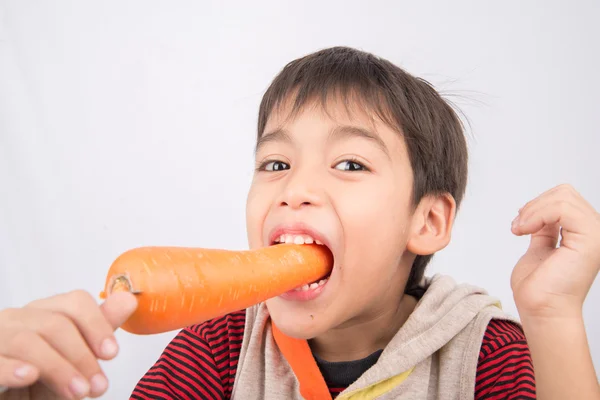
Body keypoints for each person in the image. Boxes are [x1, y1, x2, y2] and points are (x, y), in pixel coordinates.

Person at [0, 47, 598, 400]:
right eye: (276, 163)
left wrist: (554, 318)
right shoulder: (218, 349)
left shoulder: (489, 355)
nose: (297, 189)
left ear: (429, 220)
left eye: (350, 163)